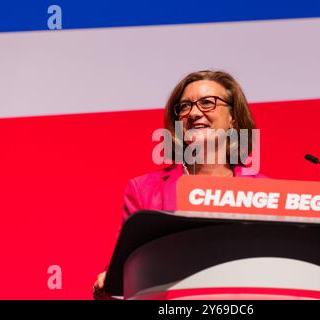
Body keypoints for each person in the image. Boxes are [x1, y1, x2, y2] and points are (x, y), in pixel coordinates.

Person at [93, 70, 265, 299]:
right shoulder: (143, 191)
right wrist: (109, 285)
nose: (194, 113)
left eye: (207, 103)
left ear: (233, 116)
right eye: (184, 107)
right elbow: (122, 273)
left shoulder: (265, 191)